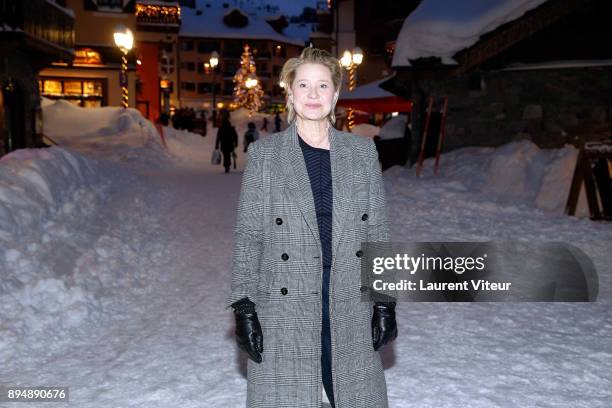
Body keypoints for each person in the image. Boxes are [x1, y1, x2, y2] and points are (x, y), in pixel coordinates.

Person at [227, 47, 397, 408]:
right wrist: (244, 306)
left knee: (351, 393)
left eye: (323, 85)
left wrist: (384, 303)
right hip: (285, 299)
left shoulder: (362, 153)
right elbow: (250, 236)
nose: (314, 94)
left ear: (335, 94)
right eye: (304, 84)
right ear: (290, 93)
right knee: (291, 395)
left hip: (348, 294)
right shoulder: (266, 156)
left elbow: (377, 231)